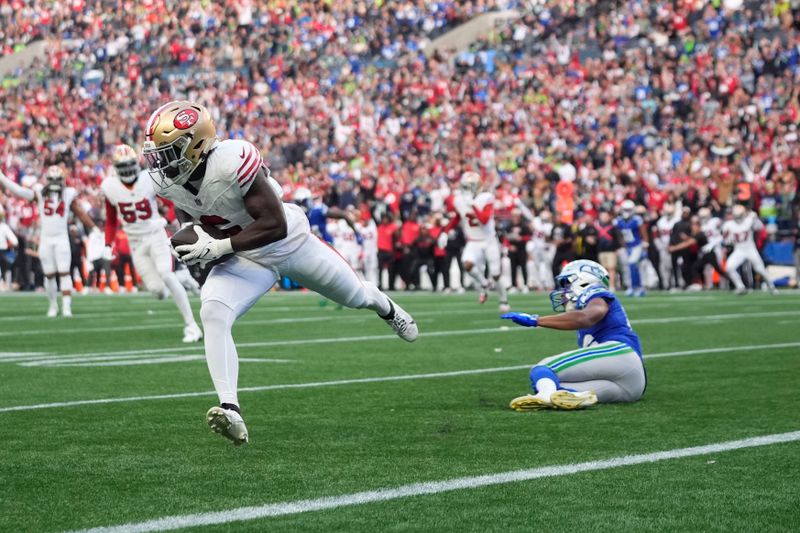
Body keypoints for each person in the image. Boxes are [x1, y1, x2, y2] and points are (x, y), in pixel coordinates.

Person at [142, 100, 417, 445]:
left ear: (195, 144)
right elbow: (190, 216)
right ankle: (231, 409)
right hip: (246, 259)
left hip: (290, 243)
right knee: (212, 311)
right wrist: (194, 243)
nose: (161, 163)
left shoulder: (232, 159)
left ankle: (385, 306)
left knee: (355, 296)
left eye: (168, 152)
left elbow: (274, 223)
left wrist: (220, 247)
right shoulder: (171, 182)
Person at [501, 260, 646, 410]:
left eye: (567, 283)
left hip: (621, 354)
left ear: (584, 280)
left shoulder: (596, 293)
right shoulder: (588, 304)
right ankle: (571, 397)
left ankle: (544, 397)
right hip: (631, 386)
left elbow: (587, 317)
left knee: (543, 369)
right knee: (555, 388)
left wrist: (536, 320)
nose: (564, 290)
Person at [102, 144, 202, 342]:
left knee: (166, 274)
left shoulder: (149, 179)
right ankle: (184, 279)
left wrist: (165, 220)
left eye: (129, 165)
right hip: (135, 243)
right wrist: (107, 244)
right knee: (158, 291)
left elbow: (175, 203)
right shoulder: (109, 187)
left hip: (155, 235)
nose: (127, 170)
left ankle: (192, 326)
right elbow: (112, 220)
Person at [0, 166, 97, 316]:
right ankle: (53, 306)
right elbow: (20, 191)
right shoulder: (39, 193)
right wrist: (2, 178)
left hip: (61, 238)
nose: (55, 183)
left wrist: (94, 228)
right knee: (49, 274)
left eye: (57, 180)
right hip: (46, 239)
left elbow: (80, 213)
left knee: (64, 273)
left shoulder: (67, 194)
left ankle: (66, 307)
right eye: (53, 180)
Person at [447, 171, 509, 311]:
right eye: (465, 186)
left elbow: (484, 220)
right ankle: (484, 284)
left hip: (489, 240)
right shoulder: (459, 200)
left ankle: (503, 300)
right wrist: (444, 232)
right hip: (473, 241)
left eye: (469, 186)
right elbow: (458, 216)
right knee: (467, 264)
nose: (466, 190)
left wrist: (473, 204)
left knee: (496, 273)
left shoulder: (486, 198)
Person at [722, 205, 777, 295]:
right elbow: (726, 240)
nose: (738, 218)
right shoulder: (729, 224)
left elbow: (760, 228)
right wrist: (728, 239)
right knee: (729, 268)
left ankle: (771, 286)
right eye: (736, 215)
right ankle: (740, 286)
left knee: (760, 269)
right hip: (739, 250)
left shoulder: (749, 220)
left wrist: (756, 219)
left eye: (739, 215)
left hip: (750, 249)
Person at [615, 200, 648, 296]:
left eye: (628, 210)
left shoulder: (637, 219)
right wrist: (622, 245)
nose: (626, 212)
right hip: (627, 246)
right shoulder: (619, 220)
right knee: (627, 267)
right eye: (625, 209)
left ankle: (638, 287)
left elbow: (643, 232)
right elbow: (619, 235)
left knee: (633, 264)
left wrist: (645, 244)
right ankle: (631, 286)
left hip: (637, 245)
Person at [594, 211, 621, 292]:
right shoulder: (597, 227)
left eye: (605, 216)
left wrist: (617, 249)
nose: (604, 218)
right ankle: (605, 286)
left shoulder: (612, 227)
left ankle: (612, 286)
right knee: (603, 270)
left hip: (611, 250)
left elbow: (617, 238)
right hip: (601, 251)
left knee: (611, 268)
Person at [0, 207, 18, 291]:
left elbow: (14, 241)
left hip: (2, 251)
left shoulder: (4, 227)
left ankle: (3, 283)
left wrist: (7, 245)